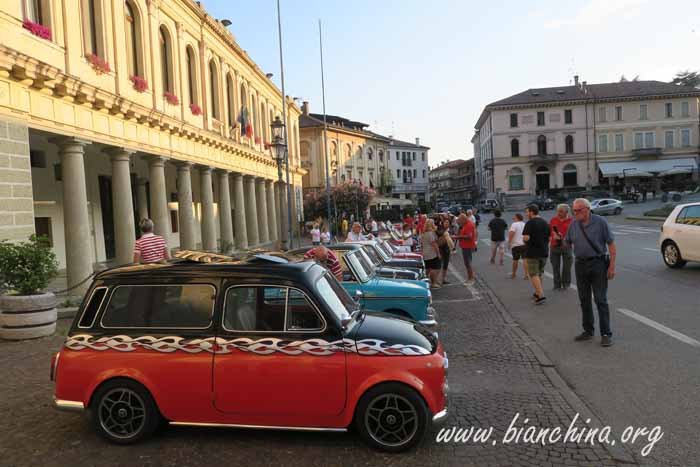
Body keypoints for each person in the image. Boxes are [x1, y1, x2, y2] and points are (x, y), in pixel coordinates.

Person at [565, 198, 616, 347]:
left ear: (587, 209)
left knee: (600, 299)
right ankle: (588, 330)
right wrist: (560, 240)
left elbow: (611, 245)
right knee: (584, 299)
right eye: (574, 210)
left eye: (578, 210)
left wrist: (612, 267)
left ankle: (606, 334)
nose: (575, 213)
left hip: (598, 263)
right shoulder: (573, 224)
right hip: (580, 264)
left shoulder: (600, 222)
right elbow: (567, 243)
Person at [522, 205, 550, 305]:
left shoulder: (530, 223)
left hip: (533, 252)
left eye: (527, 212)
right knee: (539, 273)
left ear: (532, 212)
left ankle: (541, 296)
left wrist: (525, 241)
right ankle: (537, 292)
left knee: (533, 274)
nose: (526, 214)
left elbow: (525, 238)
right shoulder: (545, 222)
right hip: (544, 251)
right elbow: (549, 237)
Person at [549, 204, 573, 290]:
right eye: (558, 211)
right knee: (555, 267)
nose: (558, 213)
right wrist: (552, 236)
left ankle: (566, 284)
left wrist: (564, 237)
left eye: (561, 211)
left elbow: (575, 234)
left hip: (566, 246)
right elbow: (549, 231)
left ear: (567, 212)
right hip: (554, 246)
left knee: (567, 267)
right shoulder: (553, 220)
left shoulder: (572, 221)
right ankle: (557, 285)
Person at [454, 213, 477, 283]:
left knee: (467, 262)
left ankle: (471, 278)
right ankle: (471, 276)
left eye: (460, 222)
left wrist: (457, 237)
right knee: (468, 262)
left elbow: (469, 236)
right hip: (465, 246)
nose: (460, 223)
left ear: (463, 219)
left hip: (467, 246)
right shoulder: (465, 224)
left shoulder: (468, 225)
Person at [420, 219, 442, 289]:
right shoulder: (431, 233)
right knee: (436, 268)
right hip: (432, 253)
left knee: (428, 268)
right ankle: (433, 283)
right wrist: (438, 254)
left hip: (425, 253)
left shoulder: (423, 234)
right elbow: (434, 245)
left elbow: (422, 245)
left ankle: (425, 282)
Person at [508, 213, 528, 279]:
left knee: (515, 260)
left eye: (514, 217)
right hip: (524, 244)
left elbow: (511, 233)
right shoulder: (525, 224)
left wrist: (509, 242)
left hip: (515, 245)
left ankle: (514, 274)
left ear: (517, 218)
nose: (513, 218)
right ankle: (526, 274)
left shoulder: (514, 224)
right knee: (525, 259)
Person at [436, 217, 454, 285]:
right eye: (445, 222)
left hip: (447, 249)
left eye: (448, 223)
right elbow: (438, 233)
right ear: (443, 223)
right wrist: (445, 233)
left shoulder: (450, 230)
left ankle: (443, 279)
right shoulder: (440, 228)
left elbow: (452, 238)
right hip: (440, 249)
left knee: (445, 265)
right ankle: (437, 279)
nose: (446, 224)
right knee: (439, 264)